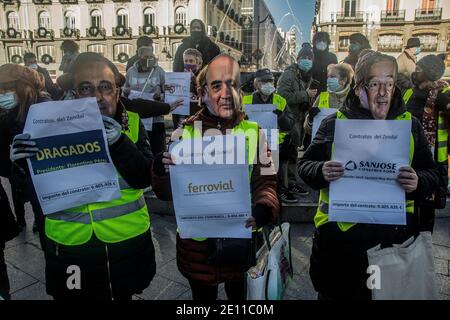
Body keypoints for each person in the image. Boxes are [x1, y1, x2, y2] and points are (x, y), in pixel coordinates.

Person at [9, 52, 157, 300]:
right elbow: (32, 195)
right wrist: (22, 166)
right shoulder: (47, 128)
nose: (97, 97)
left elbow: (144, 178)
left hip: (126, 244)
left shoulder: (131, 122)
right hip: (71, 249)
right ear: (74, 94)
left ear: (117, 92)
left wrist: (120, 142)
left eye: (105, 87)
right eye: (86, 88)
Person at [298, 51, 439, 300]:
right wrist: (321, 170)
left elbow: (432, 173)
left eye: (389, 83)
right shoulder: (334, 124)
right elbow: (305, 165)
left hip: (393, 243)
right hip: (340, 244)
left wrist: (418, 181)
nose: (383, 92)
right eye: (375, 84)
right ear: (359, 88)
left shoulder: (410, 125)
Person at [152, 54, 280, 301]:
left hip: (240, 241)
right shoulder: (183, 134)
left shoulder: (257, 132)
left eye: (232, 84)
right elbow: (166, 193)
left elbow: (268, 180)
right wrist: (160, 169)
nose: (226, 92)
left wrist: (264, 207)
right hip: (197, 248)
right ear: (202, 94)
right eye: (216, 85)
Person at [0, 64, 51, 238]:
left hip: (50, 186)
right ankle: (22, 220)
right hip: (23, 181)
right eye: (1, 89)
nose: (3, 94)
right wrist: (12, 164)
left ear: (25, 86)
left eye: (8, 88)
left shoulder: (46, 108)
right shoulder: (7, 115)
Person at [403, 54, 450, 232]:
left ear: (429, 73)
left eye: (419, 70)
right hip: (407, 155)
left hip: (431, 160)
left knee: (425, 210)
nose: (415, 73)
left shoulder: (444, 93)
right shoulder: (409, 92)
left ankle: (422, 247)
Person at [242, 68, 296, 203]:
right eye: (263, 81)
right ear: (256, 84)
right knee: (254, 173)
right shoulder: (246, 101)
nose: (267, 84)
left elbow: (289, 124)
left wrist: (281, 116)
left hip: (274, 143)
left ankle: (276, 194)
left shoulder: (280, 100)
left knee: (272, 174)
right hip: (252, 142)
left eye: (270, 81)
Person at [277, 43, 316, 195]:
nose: (306, 60)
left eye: (309, 58)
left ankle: (291, 183)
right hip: (288, 120)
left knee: (292, 153)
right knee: (285, 154)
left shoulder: (307, 77)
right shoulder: (289, 74)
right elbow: (282, 97)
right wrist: (305, 95)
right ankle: (283, 185)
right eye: (303, 57)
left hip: (298, 120)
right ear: (298, 59)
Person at [124, 46, 167, 156]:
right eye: (146, 57)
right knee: (140, 150)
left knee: (158, 151)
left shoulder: (159, 71)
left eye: (151, 56)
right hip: (137, 118)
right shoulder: (131, 72)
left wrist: (160, 96)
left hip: (156, 119)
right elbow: (124, 91)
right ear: (139, 57)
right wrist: (126, 92)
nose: (149, 59)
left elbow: (168, 92)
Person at [304, 63, 354, 148]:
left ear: (343, 80)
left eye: (332, 76)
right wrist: (310, 119)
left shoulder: (353, 99)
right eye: (328, 77)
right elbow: (308, 129)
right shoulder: (322, 97)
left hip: (346, 150)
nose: (329, 79)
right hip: (323, 149)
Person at [172, 48, 204, 129]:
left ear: (199, 63)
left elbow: (204, 95)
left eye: (191, 61)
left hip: (197, 118)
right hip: (181, 118)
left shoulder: (204, 77)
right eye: (185, 61)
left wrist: (194, 80)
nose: (188, 63)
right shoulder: (179, 77)